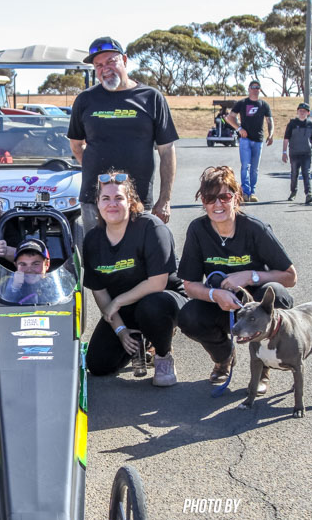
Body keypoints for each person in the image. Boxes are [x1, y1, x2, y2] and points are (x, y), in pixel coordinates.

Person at [177, 166, 297, 395]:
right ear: (203, 201)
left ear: (236, 197)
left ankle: (262, 368)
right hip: (223, 305)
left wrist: (251, 275)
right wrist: (215, 295)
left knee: (278, 294)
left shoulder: (255, 228)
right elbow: (190, 286)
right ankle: (224, 357)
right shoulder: (198, 230)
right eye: (210, 198)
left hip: (256, 306)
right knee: (188, 316)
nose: (218, 204)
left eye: (224, 196)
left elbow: (290, 276)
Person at [81, 171, 187, 386]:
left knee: (151, 307)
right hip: (125, 308)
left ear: (130, 201)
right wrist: (120, 331)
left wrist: (117, 302)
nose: (112, 204)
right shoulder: (92, 239)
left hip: (163, 299)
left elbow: (157, 283)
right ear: (98, 203)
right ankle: (141, 339)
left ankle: (163, 354)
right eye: (106, 198)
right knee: (99, 365)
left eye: (119, 198)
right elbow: (99, 292)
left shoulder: (151, 227)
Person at [68, 36, 178, 232]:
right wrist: (95, 169)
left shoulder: (151, 98)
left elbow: (167, 150)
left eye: (111, 61)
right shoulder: (85, 100)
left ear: (125, 60)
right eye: (99, 65)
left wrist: (165, 199)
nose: (105, 68)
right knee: (97, 250)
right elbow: (77, 145)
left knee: (140, 250)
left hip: (139, 201)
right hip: (95, 202)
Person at [226, 80, 274, 202]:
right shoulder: (242, 103)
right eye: (253, 87)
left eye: (258, 87)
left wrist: (271, 134)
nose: (255, 89)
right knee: (245, 166)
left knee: (254, 169)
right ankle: (245, 192)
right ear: (249, 89)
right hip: (245, 140)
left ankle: (252, 192)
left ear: (260, 90)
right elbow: (229, 118)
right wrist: (239, 129)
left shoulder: (264, 105)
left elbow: (269, 121)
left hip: (258, 140)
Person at [0, 238, 53, 304]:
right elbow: (1, 306)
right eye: (23, 264)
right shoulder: (4, 284)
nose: (29, 270)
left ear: (47, 264)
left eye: (35, 264)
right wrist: (14, 288)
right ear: (16, 265)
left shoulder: (54, 285)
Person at [282, 102, 312, 204]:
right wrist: (284, 152)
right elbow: (286, 139)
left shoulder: (311, 124)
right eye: (300, 111)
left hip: (306, 153)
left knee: (307, 173)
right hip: (294, 153)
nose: (302, 113)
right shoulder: (292, 124)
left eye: (304, 111)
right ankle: (293, 192)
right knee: (294, 173)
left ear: (308, 113)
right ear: (297, 111)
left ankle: (309, 194)